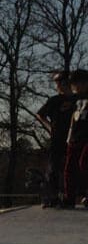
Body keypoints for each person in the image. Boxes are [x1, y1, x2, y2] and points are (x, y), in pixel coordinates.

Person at [35, 71, 77, 207]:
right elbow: (40, 115)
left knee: (74, 166)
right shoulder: (54, 100)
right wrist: (49, 127)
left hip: (75, 137)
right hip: (58, 138)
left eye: (60, 83)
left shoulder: (78, 99)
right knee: (54, 167)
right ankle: (52, 195)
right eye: (58, 84)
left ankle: (73, 194)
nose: (59, 87)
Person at [62, 69, 88, 209]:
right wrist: (70, 134)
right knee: (69, 167)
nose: (74, 89)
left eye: (76, 85)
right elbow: (73, 116)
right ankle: (69, 198)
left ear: (84, 83)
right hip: (76, 135)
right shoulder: (75, 98)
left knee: (84, 162)